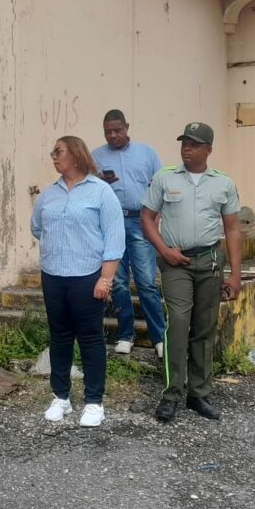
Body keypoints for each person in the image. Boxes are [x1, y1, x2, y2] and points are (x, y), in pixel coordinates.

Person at [141, 122, 242, 423]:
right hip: (176, 262)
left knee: (204, 327)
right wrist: (163, 250)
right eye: (185, 142)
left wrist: (235, 275)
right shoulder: (165, 177)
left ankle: (199, 394)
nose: (187, 148)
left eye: (195, 144)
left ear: (208, 149)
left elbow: (233, 229)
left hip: (209, 261)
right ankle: (171, 394)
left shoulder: (223, 183)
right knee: (178, 322)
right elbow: (146, 218)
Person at [32, 136, 124, 427]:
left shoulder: (101, 192)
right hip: (53, 276)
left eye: (58, 151)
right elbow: (37, 228)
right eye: (53, 152)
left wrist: (105, 279)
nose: (53, 157)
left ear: (76, 154)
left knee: (90, 338)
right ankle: (61, 397)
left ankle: (94, 402)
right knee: (59, 337)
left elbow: (114, 239)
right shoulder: (49, 194)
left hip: (87, 277)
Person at [92, 109, 166, 357]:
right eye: (108, 132)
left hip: (141, 221)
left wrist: (156, 220)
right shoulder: (96, 157)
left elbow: (160, 186)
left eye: (118, 130)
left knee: (146, 282)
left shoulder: (147, 153)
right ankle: (126, 335)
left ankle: (159, 337)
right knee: (119, 283)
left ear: (127, 127)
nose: (113, 135)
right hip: (111, 224)